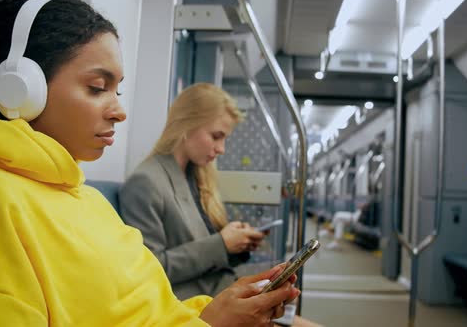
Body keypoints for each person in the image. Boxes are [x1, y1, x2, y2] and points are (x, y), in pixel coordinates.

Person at [0, 0, 299, 326]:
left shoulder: (85, 198)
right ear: (22, 89)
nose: (119, 111)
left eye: (117, 90)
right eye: (97, 88)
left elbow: (148, 312)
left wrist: (215, 311)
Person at [119, 83, 323, 327]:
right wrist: (222, 244)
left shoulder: (195, 178)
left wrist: (236, 244)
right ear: (186, 125)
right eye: (216, 136)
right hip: (191, 305)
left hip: (219, 291)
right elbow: (151, 269)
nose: (221, 149)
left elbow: (203, 254)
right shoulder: (146, 182)